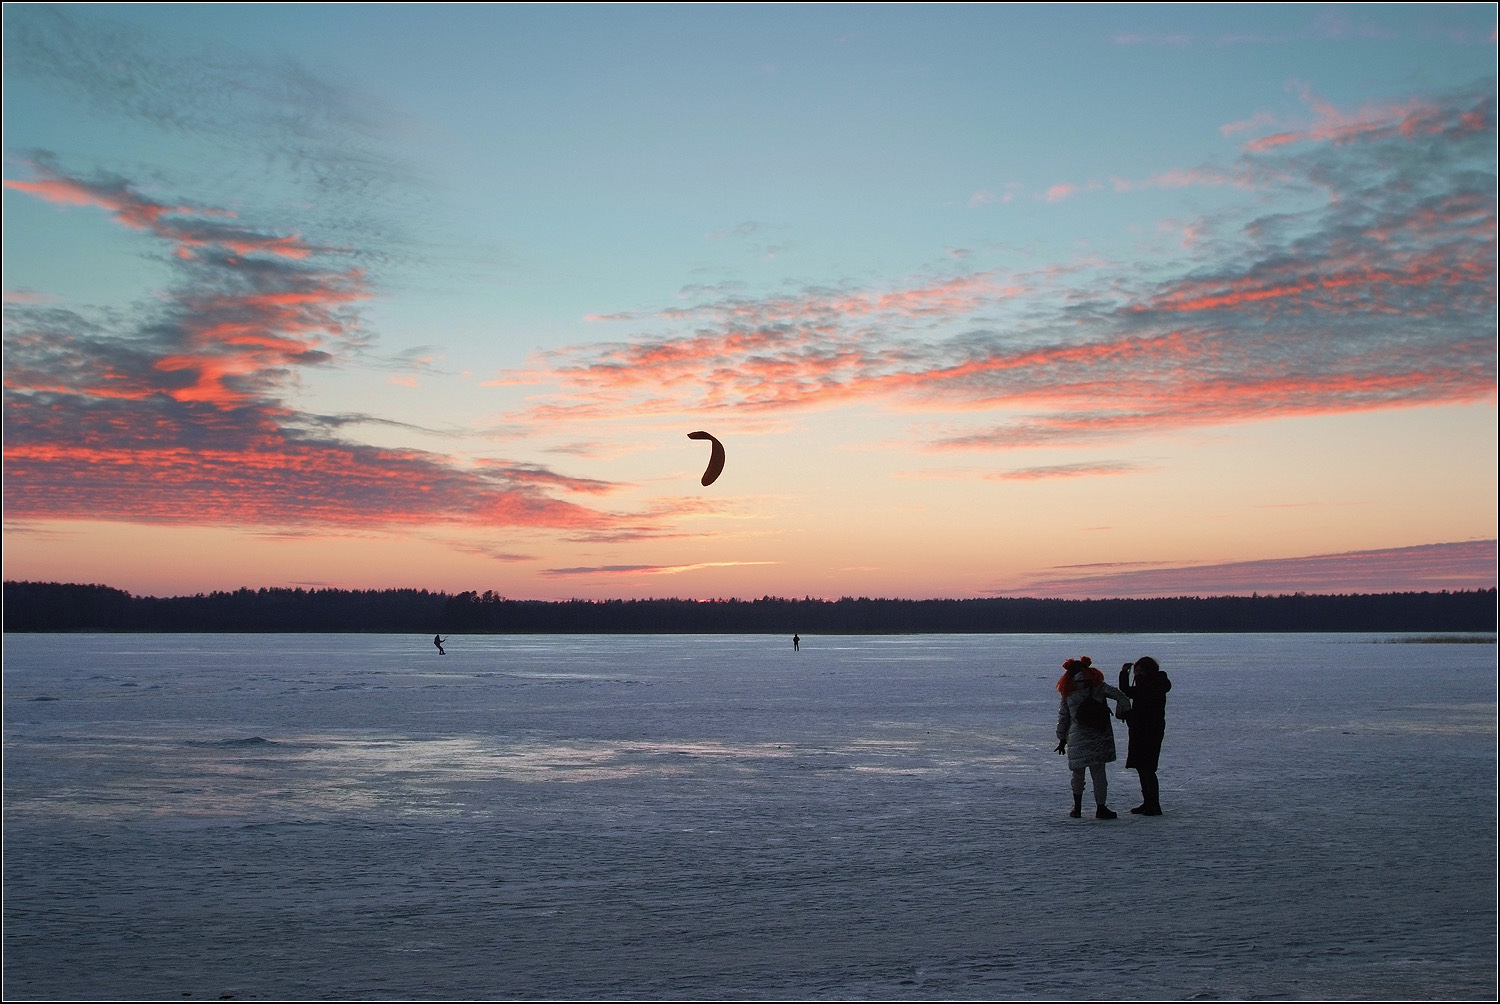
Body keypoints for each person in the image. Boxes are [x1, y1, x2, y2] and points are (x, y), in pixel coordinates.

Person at [1054, 656, 1131, 819]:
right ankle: (1101, 808)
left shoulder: (1068, 691)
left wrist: (1062, 739)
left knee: (1078, 775)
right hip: (1099, 736)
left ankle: (1078, 808)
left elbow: (1063, 718)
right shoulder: (1098, 686)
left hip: (1077, 738)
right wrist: (1125, 712)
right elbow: (1120, 696)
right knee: (1099, 774)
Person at [1117, 656, 1171, 815]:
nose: (1137, 674)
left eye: (1140, 672)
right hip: (1141, 729)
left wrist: (1130, 677)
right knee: (1142, 767)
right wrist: (1123, 674)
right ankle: (1148, 802)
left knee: (1147, 768)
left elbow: (1140, 695)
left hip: (1150, 730)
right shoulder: (1151, 683)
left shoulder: (1154, 685)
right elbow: (1128, 691)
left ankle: (1154, 805)